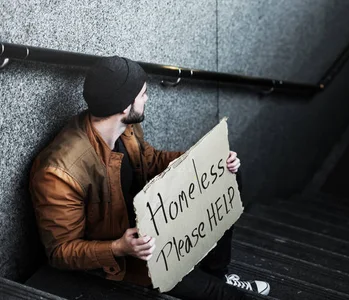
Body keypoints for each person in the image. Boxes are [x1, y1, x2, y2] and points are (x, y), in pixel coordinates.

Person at [29, 56, 270, 300]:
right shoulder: (58, 174)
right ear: (125, 106)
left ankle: (217, 273)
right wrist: (118, 247)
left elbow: (150, 161)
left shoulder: (123, 126)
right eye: (143, 94)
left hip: (152, 222)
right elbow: (61, 252)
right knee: (218, 294)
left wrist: (208, 160)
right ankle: (217, 284)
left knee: (227, 175)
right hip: (123, 257)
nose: (147, 98)